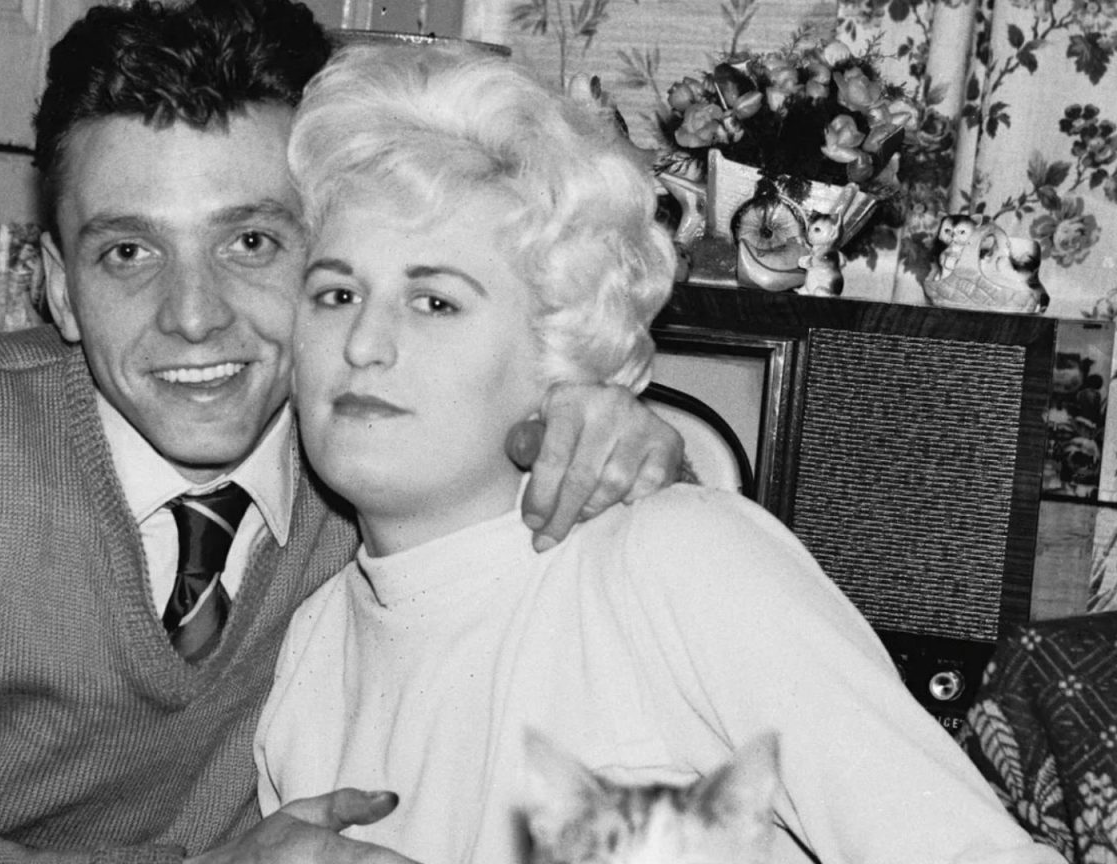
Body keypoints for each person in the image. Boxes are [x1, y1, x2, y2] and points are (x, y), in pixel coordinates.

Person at [0, 2, 684, 863]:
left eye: (252, 241)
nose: (192, 317)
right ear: (59, 287)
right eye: (128, 253)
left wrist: (596, 425)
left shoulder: (387, 457)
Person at [252, 40, 1063, 864]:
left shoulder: (674, 559)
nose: (363, 343)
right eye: (336, 293)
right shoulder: (313, 647)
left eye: (434, 302)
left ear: (560, 351)